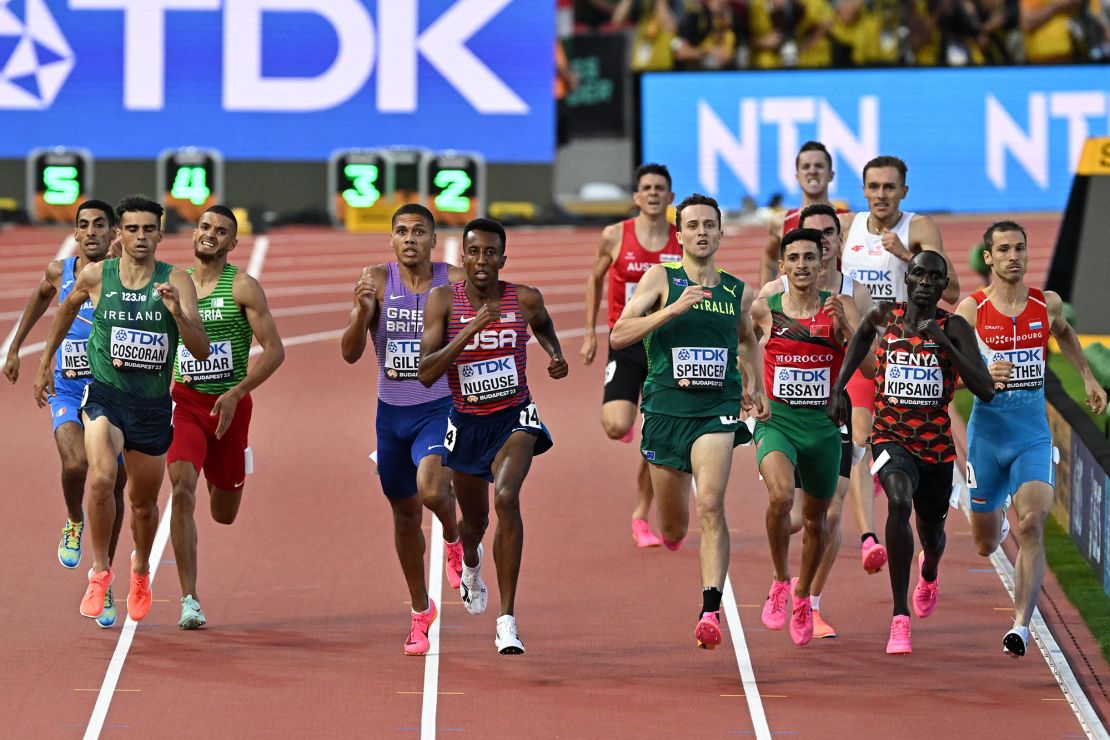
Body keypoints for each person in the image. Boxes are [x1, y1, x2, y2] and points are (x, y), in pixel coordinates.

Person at [33, 195, 210, 624]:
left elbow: (201, 350)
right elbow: (65, 309)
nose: (140, 236)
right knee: (100, 478)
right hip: (105, 397)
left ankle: (140, 569)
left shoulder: (178, 281)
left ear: (160, 234)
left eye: (149, 229)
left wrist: (177, 315)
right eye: (132, 229)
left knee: (144, 506)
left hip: (150, 407)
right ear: (120, 234)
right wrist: (43, 361)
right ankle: (99, 572)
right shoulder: (97, 275)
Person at [611, 193, 768, 650]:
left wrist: (753, 382)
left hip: (715, 411)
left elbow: (745, 341)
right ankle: (671, 533)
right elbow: (621, 332)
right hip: (664, 411)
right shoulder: (662, 277)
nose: (701, 232)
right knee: (675, 527)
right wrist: (673, 309)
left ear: (721, 233)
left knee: (711, 505)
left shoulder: (737, 291)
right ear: (679, 236)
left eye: (709, 225)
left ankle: (709, 609)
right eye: (693, 225)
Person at [828, 251, 995, 654]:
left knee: (932, 535)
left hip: (936, 449)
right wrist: (839, 388)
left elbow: (985, 388)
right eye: (918, 273)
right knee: (898, 502)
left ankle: (931, 570)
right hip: (890, 438)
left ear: (942, 286)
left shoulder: (953, 326)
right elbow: (859, 343)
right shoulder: (884, 317)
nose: (925, 281)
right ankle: (899, 617)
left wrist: (944, 345)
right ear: (908, 278)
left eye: (934, 277)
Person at [418, 217, 569, 656]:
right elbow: (427, 373)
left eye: (490, 252)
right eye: (474, 252)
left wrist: (555, 355)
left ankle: (508, 620)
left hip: (514, 416)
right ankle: (470, 562)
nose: (482, 260)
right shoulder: (443, 300)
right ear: (461, 257)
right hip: (466, 424)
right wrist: (471, 327)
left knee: (506, 498)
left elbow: (543, 324)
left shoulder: (524, 298)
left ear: (503, 258)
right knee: (476, 523)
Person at [958, 221, 1107, 658]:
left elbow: (1062, 331)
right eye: (1003, 249)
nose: (1012, 256)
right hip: (987, 437)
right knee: (986, 544)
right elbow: (955, 375)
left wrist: (1088, 376)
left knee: (1033, 522)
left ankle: (1021, 626)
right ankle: (995, 520)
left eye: (1019, 248)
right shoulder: (971, 311)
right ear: (988, 258)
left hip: (1032, 437)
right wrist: (982, 377)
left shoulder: (1047, 303)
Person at [341, 204, 466, 656]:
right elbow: (350, 354)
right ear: (392, 240)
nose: (409, 238)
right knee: (404, 515)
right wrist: (360, 314)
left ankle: (454, 538)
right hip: (390, 416)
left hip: (439, 407)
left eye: (419, 231)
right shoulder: (375, 279)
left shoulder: (453, 281)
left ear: (434, 240)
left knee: (432, 489)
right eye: (401, 232)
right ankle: (420, 612)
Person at [4, 200, 127, 627]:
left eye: (99, 225)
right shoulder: (61, 272)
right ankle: (74, 520)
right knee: (77, 463)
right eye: (83, 226)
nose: (91, 232)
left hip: (113, 395)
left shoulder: (125, 274)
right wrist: (17, 347)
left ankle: (103, 576)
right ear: (75, 234)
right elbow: (41, 296)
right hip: (70, 389)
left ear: (114, 233)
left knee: (114, 485)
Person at [757, 202, 874, 639]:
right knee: (781, 496)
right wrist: (751, 387)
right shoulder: (764, 306)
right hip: (778, 423)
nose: (803, 264)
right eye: (794, 258)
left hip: (824, 429)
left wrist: (851, 329)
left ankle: (804, 597)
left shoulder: (841, 305)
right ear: (782, 264)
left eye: (811, 256)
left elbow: (869, 370)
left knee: (817, 522)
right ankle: (779, 580)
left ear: (824, 260)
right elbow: (744, 349)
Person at [840, 155, 960, 577]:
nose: (880, 195)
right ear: (864, 189)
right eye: (873, 186)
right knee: (859, 433)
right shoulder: (848, 228)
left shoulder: (919, 227)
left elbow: (953, 289)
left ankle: (925, 539)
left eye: (889, 187)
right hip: (867, 346)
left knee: (913, 458)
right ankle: (869, 539)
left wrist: (907, 255)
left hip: (911, 357)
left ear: (903, 191)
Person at [168, 206, 285, 630]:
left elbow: (275, 350)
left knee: (223, 513)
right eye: (204, 227)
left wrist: (237, 392)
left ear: (233, 244)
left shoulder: (243, 287)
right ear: (194, 233)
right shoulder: (173, 285)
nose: (210, 235)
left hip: (230, 407)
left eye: (220, 232)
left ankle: (237, 466)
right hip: (185, 404)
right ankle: (189, 599)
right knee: (181, 487)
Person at [581, 163, 682, 548]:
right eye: (646, 188)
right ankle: (629, 423)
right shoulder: (614, 236)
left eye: (660, 188)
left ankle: (641, 516)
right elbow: (594, 278)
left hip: (668, 348)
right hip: (626, 341)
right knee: (615, 425)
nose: (654, 193)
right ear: (636, 197)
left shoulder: (681, 240)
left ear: (670, 197)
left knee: (654, 435)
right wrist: (590, 331)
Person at [761, 141, 849, 286]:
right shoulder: (781, 221)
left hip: (836, 304)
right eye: (806, 166)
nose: (812, 171)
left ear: (831, 175)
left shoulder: (848, 221)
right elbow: (769, 258)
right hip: (795, 306)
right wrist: (764, 296)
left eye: (819, 166)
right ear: (797, 177)